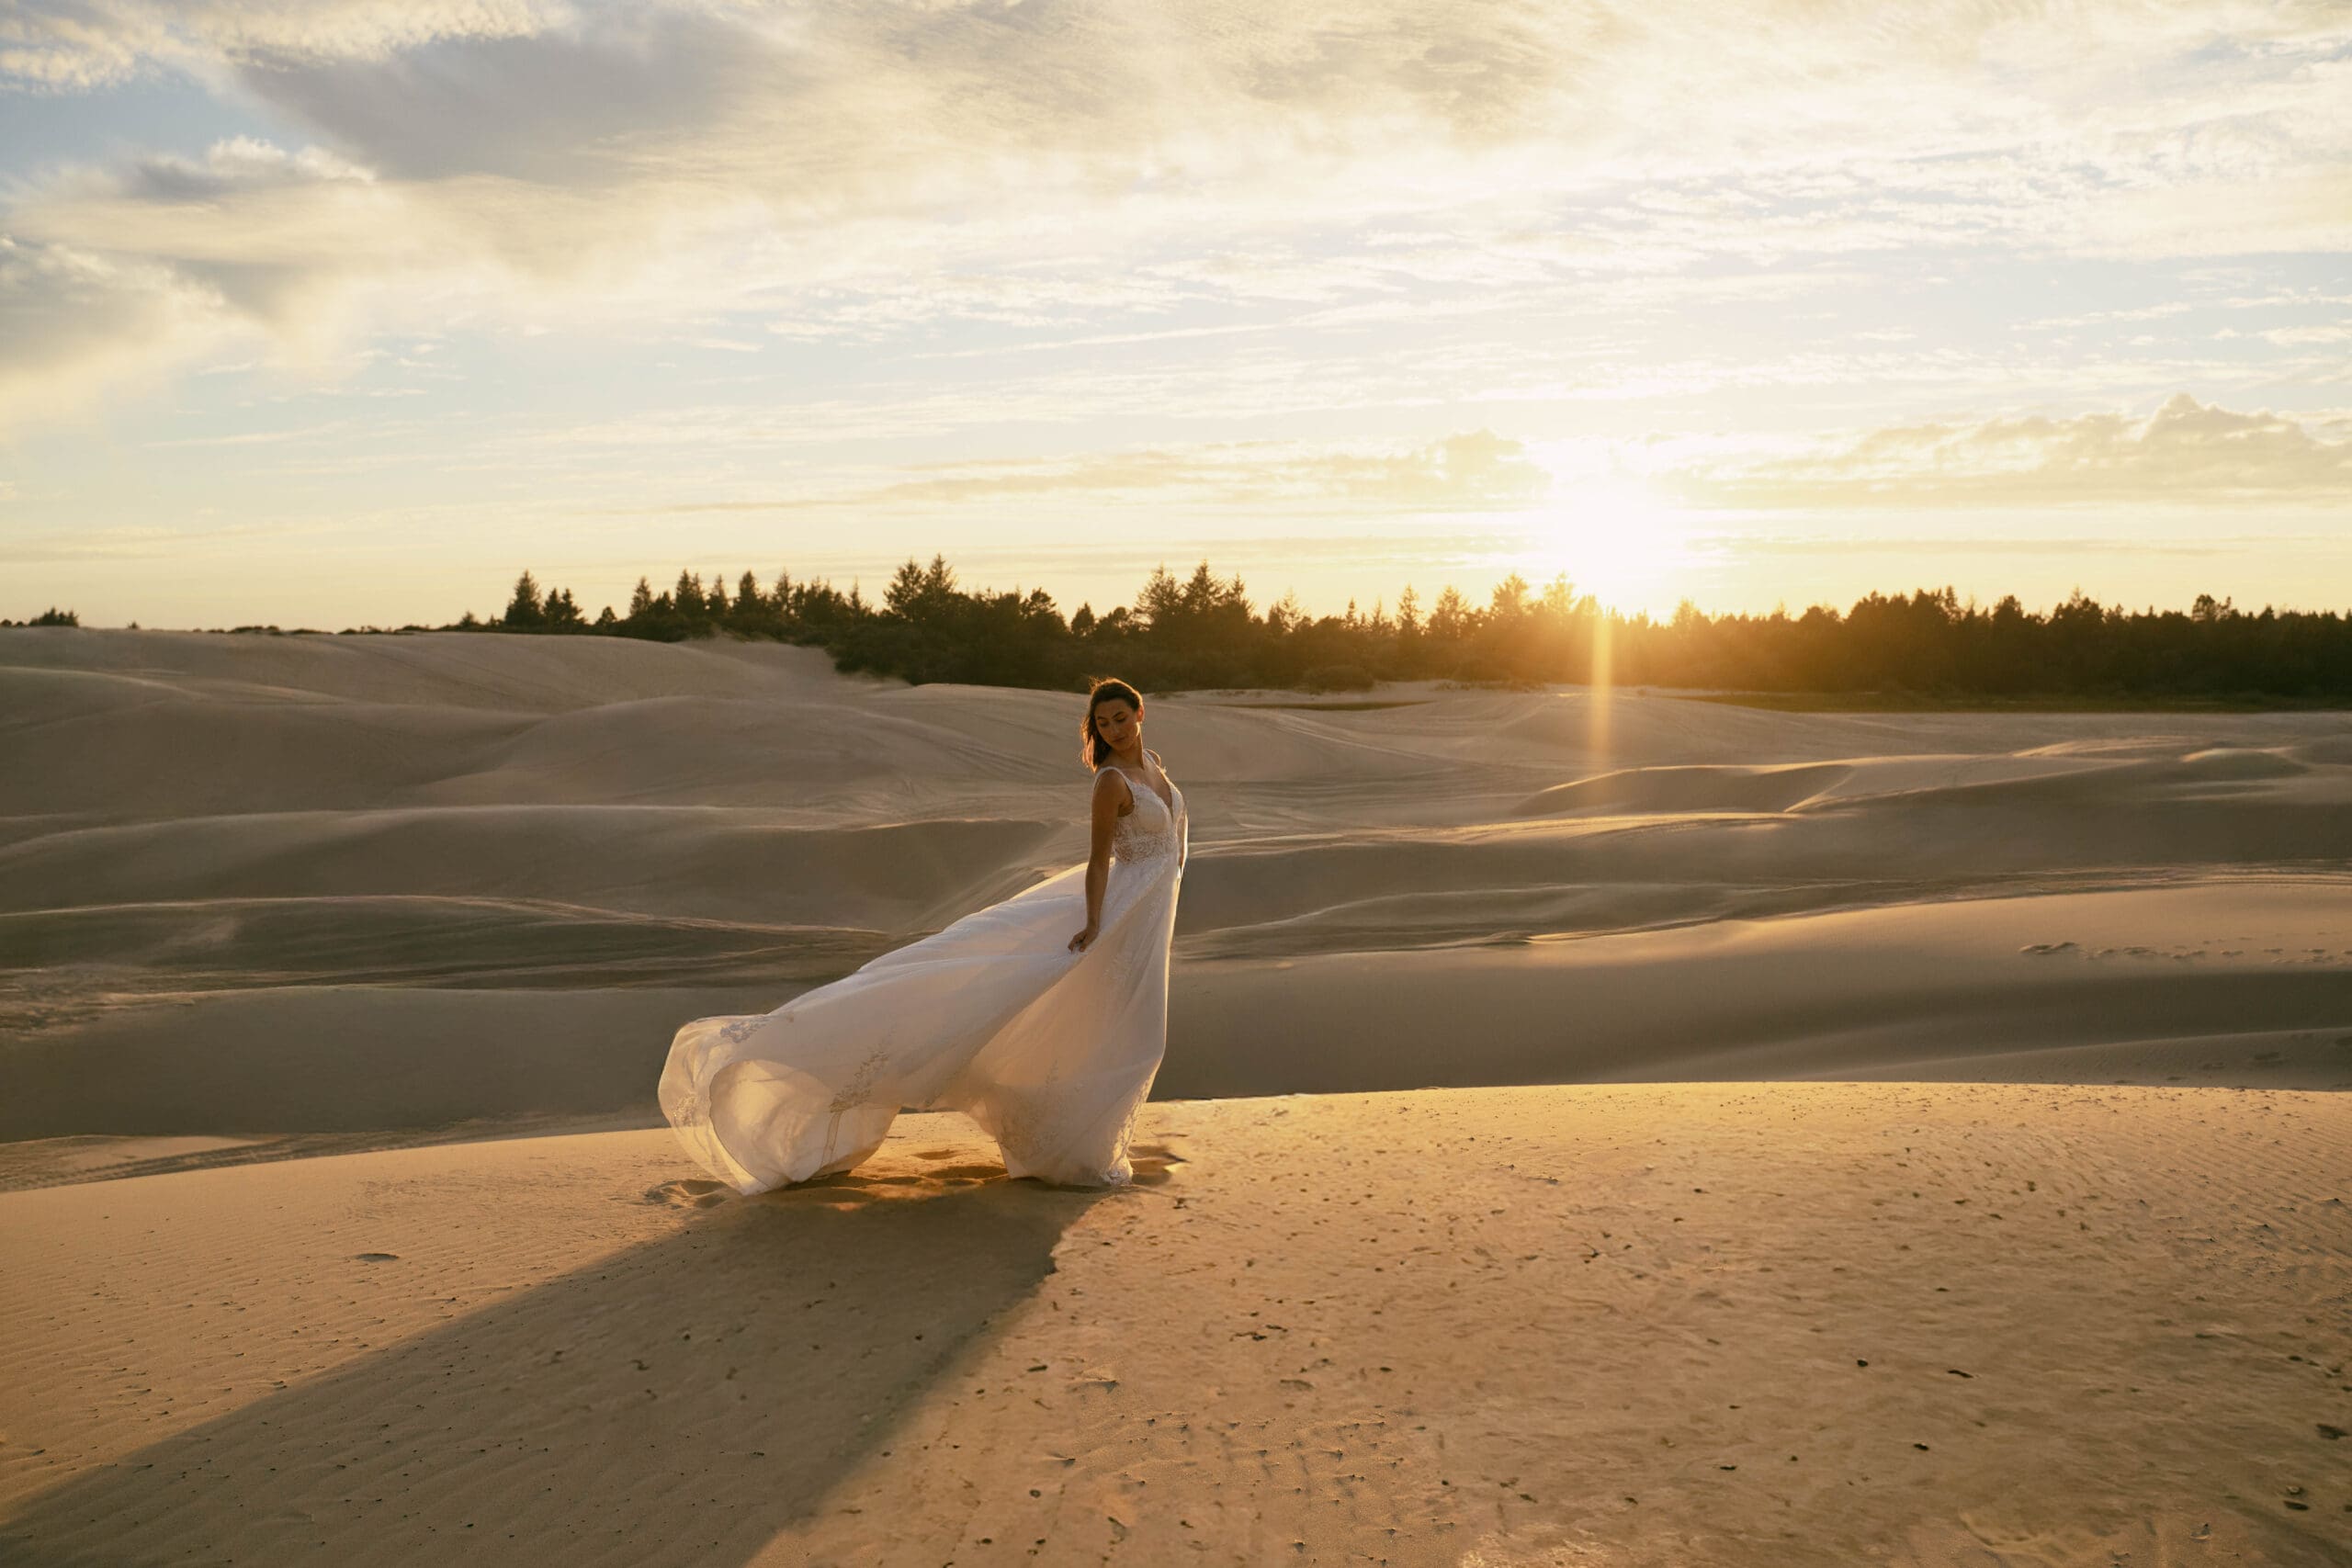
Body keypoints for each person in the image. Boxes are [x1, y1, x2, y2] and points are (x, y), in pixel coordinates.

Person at [659, 677, 1187, 1190]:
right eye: (1103, 723)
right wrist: (1093, 922)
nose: (1114, 728)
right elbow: (1098, 862)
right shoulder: (1111, 781)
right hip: (1117, 916)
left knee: (1114, 1031)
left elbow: (1171, 850)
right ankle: (1073, 1152)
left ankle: (1076, 1146)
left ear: (1140, 714)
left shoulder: (1155, 769)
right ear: (1095, 730)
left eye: (1121, 717)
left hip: (1146, 920)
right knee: (1120, 1032)